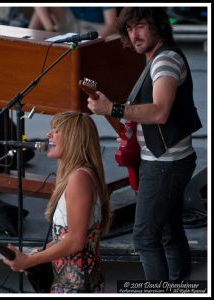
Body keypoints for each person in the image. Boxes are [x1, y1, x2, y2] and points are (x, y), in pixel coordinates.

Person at [87, 7, 202, 282]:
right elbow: (152, 115)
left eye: (140, 26)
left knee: (145, 237)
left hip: (165, 165)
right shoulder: (156, 59)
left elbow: (160, 112)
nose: (134, 35)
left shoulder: (165, 62)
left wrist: (113, 109)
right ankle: (177, 287)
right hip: (167, 161)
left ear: (158, 26)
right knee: (169, 231)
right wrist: (132, 131)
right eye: (129, 28)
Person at [3, 111, 111, 293]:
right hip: (71, 282)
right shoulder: (79, 174)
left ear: (73, 138)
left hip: (75, 286)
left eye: (56, 130)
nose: (48, 134)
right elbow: (66, 237)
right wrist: (33, 256)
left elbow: (76, 241)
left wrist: (30, 261)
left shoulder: (79, 178)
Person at [28, 6, 118, 38]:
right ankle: (26, 40)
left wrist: (90, 40)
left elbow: (111, 24)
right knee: (39, 12)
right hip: (73, 23)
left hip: (94, 28)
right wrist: (49, 27)